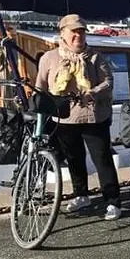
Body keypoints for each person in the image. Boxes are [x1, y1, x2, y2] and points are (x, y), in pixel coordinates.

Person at [35, 14, 121, 220]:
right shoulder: (50, 58)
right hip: (64, 118)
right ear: (62, 33)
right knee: (74, 159)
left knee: (102, 159)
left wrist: (93, 91)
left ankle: (112, 201)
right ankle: (81, 195)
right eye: (74, 32)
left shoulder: (94, 57)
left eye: (81, 32)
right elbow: (41, 86)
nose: (78, 36)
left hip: (94, 117)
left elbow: (108, 81)